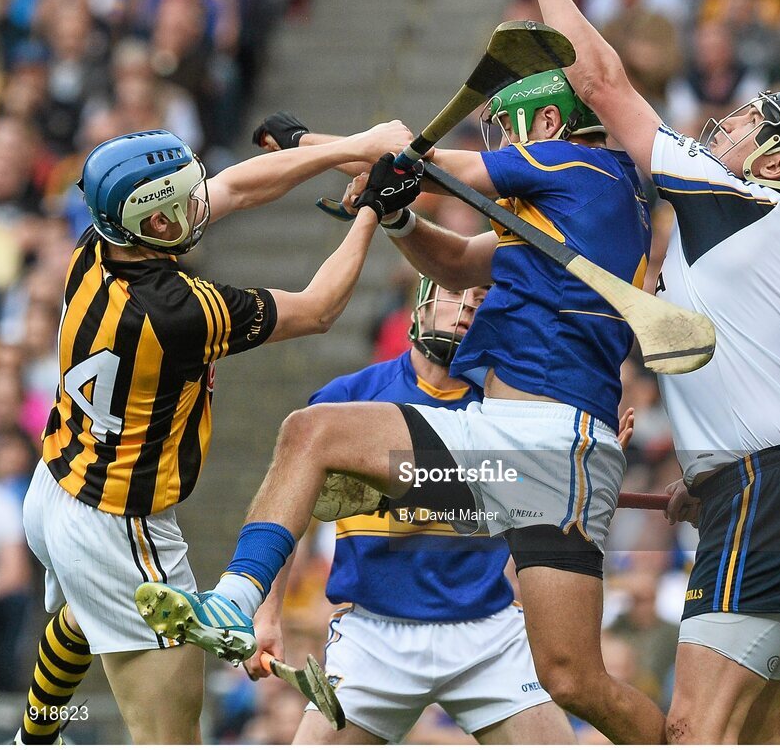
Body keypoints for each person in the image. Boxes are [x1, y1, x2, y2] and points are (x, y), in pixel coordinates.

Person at [136, 72, 671, 745]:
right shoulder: (563, 213)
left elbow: (425, 165)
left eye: (507, 131)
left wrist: (321, 145)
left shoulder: (572, 162)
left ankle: (237, 596)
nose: (501, 145)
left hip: (536, 443)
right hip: (506, 450)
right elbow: (454, 262)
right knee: (315, 431)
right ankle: (241, 599)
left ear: (545, 124)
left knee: (576, 681)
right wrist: (396, 215)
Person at [499, 0, 780, 744]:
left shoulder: (734, 200)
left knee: (693, 732)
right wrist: (720, 470)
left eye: (746, 124)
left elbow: (602, 84)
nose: (725, 122)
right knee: (761, 733)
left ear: (772, 164)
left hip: (767, 494)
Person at [14, 120, 420, 745]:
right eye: (179, 201)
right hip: (120, 524)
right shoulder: (177, 311)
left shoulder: (94, 247)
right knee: (172, 735)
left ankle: (33, 739)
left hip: (56, 484)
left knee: (83, 610)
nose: (197, 202)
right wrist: (372, 209)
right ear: (154, 225)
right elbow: (317, 309)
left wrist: (351, 148)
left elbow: (231, 188)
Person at [270, 276, 573, 744]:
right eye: (456, 293)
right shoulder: (347, 400)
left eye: (482, 300)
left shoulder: (510, 410)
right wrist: (267, 613)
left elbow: (539, 508)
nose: (468, 307)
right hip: (374, 636)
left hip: (488, 634)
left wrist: (579, 474)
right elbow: (285, 511)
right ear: (421, 304)